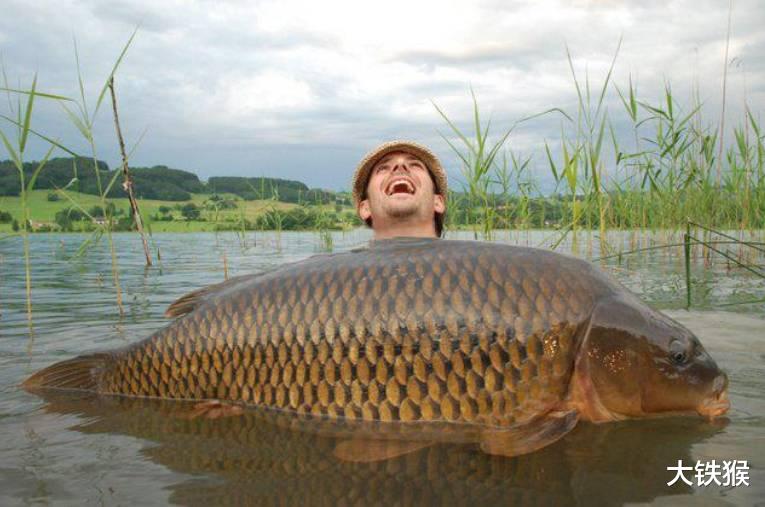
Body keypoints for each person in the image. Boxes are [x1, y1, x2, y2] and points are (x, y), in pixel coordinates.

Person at [352, 140, 448, 239]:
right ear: (366, 208)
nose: (400, 165)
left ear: (437, 202)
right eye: (383, 168)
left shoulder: (464, 253)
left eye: (415, 165)